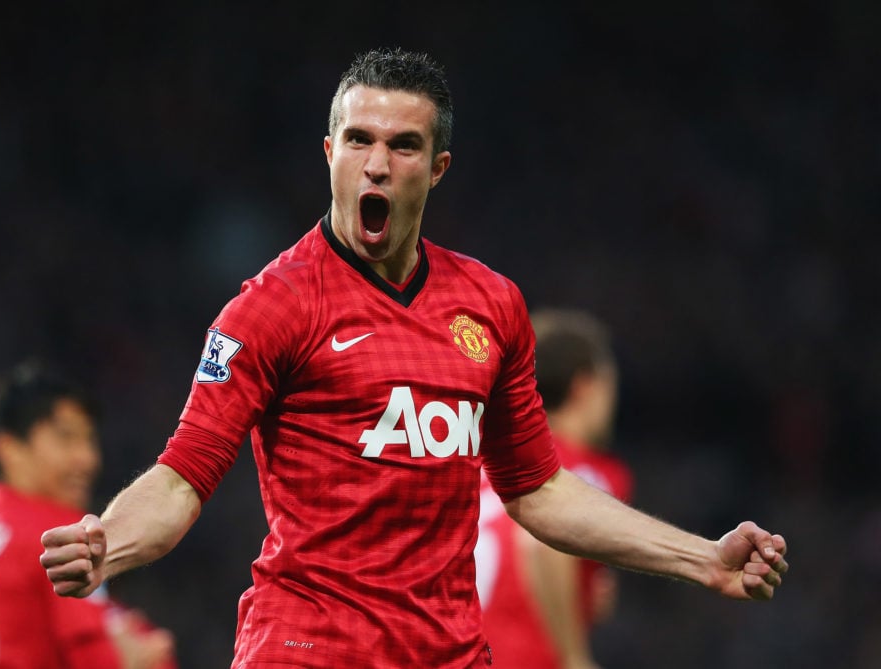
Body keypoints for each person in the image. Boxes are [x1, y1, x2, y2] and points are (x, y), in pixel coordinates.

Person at [39, 47, 789, 668]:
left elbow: (539, 491)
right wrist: (108, 542)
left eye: (403, 145)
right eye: (359, 139)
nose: (376, 163)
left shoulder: (490, 304)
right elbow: (181, 478)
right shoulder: (271, 306)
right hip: (308, 650)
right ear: (329, 153)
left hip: (449, 655)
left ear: (436, 168)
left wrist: (702, 557)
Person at [0, 361, 176, 669]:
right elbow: (93, 657)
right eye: (66, 438)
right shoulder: (54, 534)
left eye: (89, 440)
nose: (87, 459)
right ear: (8, 448)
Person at [475, 309, 633, 668]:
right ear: (586, 386)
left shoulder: (483, 460)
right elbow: (538, 544)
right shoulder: (586, 473)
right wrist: (574, 658)